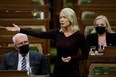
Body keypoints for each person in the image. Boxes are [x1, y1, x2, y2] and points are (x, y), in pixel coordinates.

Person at [4, 8, 88, 77]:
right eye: (60, 17)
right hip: (58, 67)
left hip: (72, 69)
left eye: (64, 17)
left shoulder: (79, 35)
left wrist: (72, 58)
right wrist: (20, 30)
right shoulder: (57, 33)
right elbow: (39, 34)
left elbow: (85, 55)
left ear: (71, 19)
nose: (61, 20)